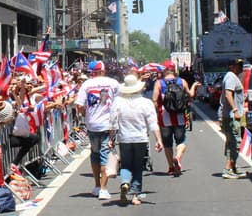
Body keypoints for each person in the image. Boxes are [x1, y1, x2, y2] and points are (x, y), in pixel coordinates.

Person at [111, 74, 162, 206]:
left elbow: (113, 123)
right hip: (140, 138)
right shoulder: (146, 103)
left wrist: (111, 138)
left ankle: (125, 182)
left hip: (124, 138)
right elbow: (153, 123)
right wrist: (158, 140)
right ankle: (135, 195)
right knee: (138, 166)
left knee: (125, 164)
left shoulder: (118, 102)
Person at [74, 60, 119, 199]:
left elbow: (79, 105)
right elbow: (119, 102)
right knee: (105, 154)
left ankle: (97, 185)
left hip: (92, 125)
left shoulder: (87, 84)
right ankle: (104, 189)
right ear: (103, 71)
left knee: (95, 154)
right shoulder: (113, 83)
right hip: (108, 124)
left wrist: (85, 114)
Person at [152, 63, 190, 176]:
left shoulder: (159, 83)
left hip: (164, 117)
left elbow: (154, 100)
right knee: (181, 141)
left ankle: (171, 167)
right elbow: (190, 96)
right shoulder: (182, 81)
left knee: (167, 143)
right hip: (180, 116)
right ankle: (178, 157)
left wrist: (155, 112)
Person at [219, 58, 246, 179]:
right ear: (231, 66)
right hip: (231, 116)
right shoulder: (230, 77)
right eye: (238, 65)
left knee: (231, 142)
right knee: (234, 142)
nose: (241, 67)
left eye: (241, 64)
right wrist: (235, 110)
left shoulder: (233, 77)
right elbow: (228, 94)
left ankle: (233, 167)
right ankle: (228, 169)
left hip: (231, 115)